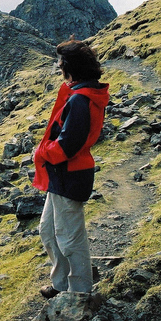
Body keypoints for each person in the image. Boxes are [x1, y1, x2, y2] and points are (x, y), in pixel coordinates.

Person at [32, 39, 110, 298]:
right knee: (48, 230)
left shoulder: (79, 100)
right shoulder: (80, 94)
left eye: (60, 63)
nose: (58, 66)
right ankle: (61, 284)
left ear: (70, 67)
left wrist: (41, 152)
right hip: (61, 175)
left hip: (70, 174)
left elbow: (69, 145)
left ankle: (79, 293)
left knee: (69, 237)